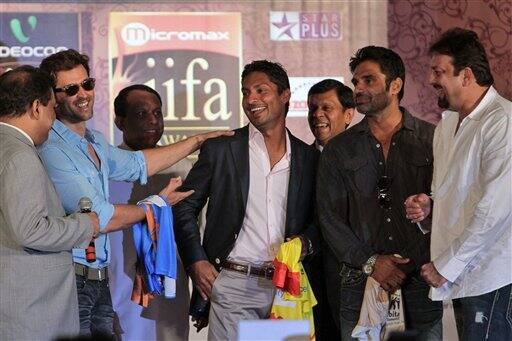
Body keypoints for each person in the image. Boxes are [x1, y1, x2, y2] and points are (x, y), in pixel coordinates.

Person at [38, 49, 232, 337]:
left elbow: (138, 163)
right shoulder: (52, 147)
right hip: (73, 283)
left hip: (98, 282)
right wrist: (157, 204)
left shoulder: (94, 141)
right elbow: (100, 217)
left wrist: (199, 140)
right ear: (52, 97)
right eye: (70, 89)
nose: (83, 94)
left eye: (87, 84)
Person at [173, 60, 320, 340]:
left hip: (287, 288)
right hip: (233, 284)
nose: (251, 99)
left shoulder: (308, 157)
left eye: (261, 91)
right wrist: (196, 261)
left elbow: (319, 220)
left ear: (285, 95)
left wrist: (305, 243)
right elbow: (184, 205)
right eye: (245, 92)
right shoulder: (222, 149)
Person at [317, 46, 443, 340]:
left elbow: (448, 206)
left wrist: (406, 264)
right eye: (356, 81)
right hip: (359, 280)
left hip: (420, 280)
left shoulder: (433, 139)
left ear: (395, 85)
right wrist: (373, 263)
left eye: (368, 80)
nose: (358, 88)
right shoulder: (338, 149)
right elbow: (329, 218)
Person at [405, 28, 511, 341]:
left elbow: (495, 211)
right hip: (461, 277)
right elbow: (453, 195)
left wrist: (446, 266)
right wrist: (429, 208)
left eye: (439, 71)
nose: (431, 80)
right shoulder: (447, 124)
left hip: (493, 278)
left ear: (465, 75)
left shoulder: (503, 122)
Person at [0, 66, 100, 340]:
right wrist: (84, 224)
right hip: (29, 310)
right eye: (53, 109)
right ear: (36, 108)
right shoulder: (20, 156)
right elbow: (30, 230)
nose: (54, 119)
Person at [109, 84, 191, 340]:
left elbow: (195, 235)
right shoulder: (104, 170)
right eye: (141, 114)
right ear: (120, 121)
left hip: (171, 298)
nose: (153, 121)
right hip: (118, 296)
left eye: (157, 113)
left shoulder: (183, 170)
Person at [307, 78, 355, 338]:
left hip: (354, 280)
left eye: (327, 108)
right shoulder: (300, 159)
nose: (317, 115)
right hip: (305, 284)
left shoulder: (366, 158)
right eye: (312, 108)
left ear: (349, 114)